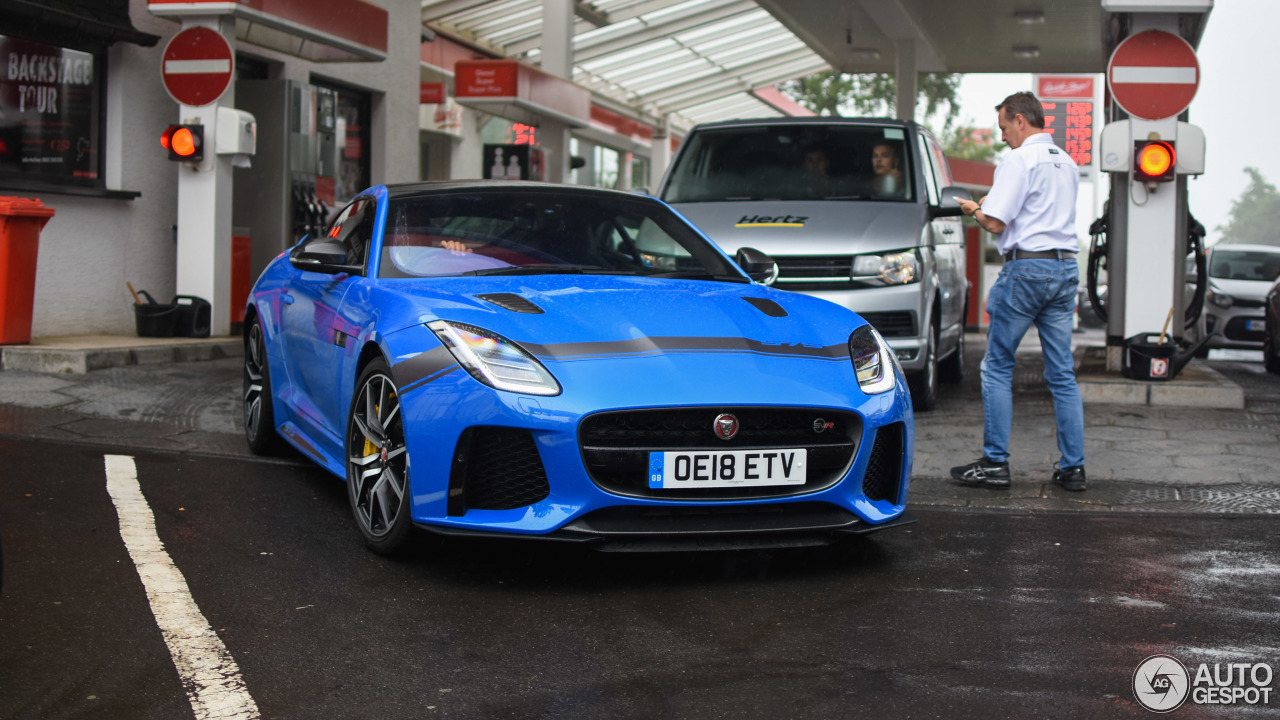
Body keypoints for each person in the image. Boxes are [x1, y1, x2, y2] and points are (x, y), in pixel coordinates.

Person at [950, 91, 1087, 492]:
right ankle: (1072, 468)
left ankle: (994, 464)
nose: (1003, 136)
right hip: (1064, 268)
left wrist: (973, 209)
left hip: (1026, 269)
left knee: (997, 367)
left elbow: (994, 223)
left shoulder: (1019, 159)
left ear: (1021, 121)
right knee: (1062, 374)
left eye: (1004, 127)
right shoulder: (1067, 162)